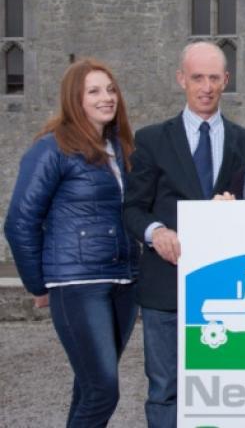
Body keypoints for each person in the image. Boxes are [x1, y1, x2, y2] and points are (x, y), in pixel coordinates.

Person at [123, 41, 245, 427]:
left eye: (214, 78)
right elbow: (132, 208)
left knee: (227, 385)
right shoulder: (151, 139)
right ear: (181, 79)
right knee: (165, 388)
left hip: (225, 287)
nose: (206, 87)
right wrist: (155, 232)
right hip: (165, 285)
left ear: (226, 81)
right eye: (197, 77)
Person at [4, 58, 138, 427]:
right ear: (74, 99)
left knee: (88, 386)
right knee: (103, 390)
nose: (106, 97)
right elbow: (19, 222)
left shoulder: (123, 149)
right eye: (94, 91)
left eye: (110, 89)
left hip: (123, 281)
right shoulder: (52, 148)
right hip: (79, 285)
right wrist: (39, 283)